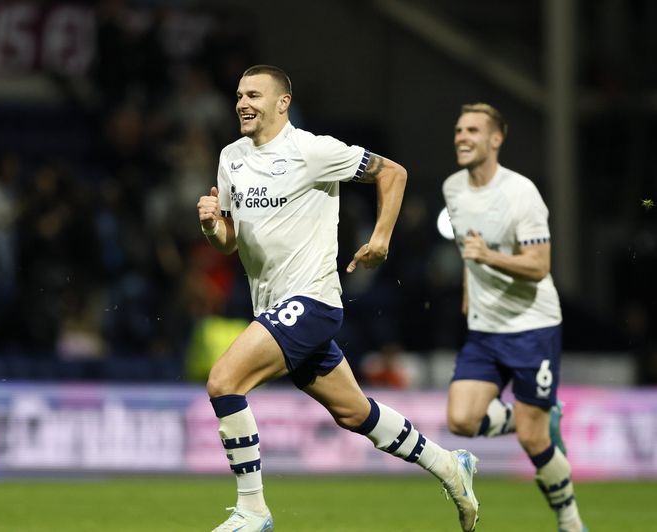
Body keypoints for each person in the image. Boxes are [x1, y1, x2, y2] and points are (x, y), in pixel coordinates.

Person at [197, 65, 480, 532]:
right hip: (271, 306)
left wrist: (382, 237)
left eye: (254, 94)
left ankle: (252, 510)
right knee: (355, 412)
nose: (242, 103)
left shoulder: (312, 150)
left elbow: (393, 172)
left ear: (282, 102)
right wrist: (213, 226)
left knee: (224, 381)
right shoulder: (232, 156)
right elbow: (230, 240)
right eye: (239, 95)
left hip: (311, 300)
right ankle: (451, 467)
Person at [442, 103, 586, 532]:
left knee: (533, 438)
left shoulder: (522, 192)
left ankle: (571, 521)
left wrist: (489, 256)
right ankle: (538, 413)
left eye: (471, 130)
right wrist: (472, 288)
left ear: (495, 139)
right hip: (485, 330)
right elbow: (468, 249)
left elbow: (539, 265)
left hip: (532, 328)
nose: (461, 137)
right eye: (457, 129)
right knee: (461, 420)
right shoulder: (452, 187)